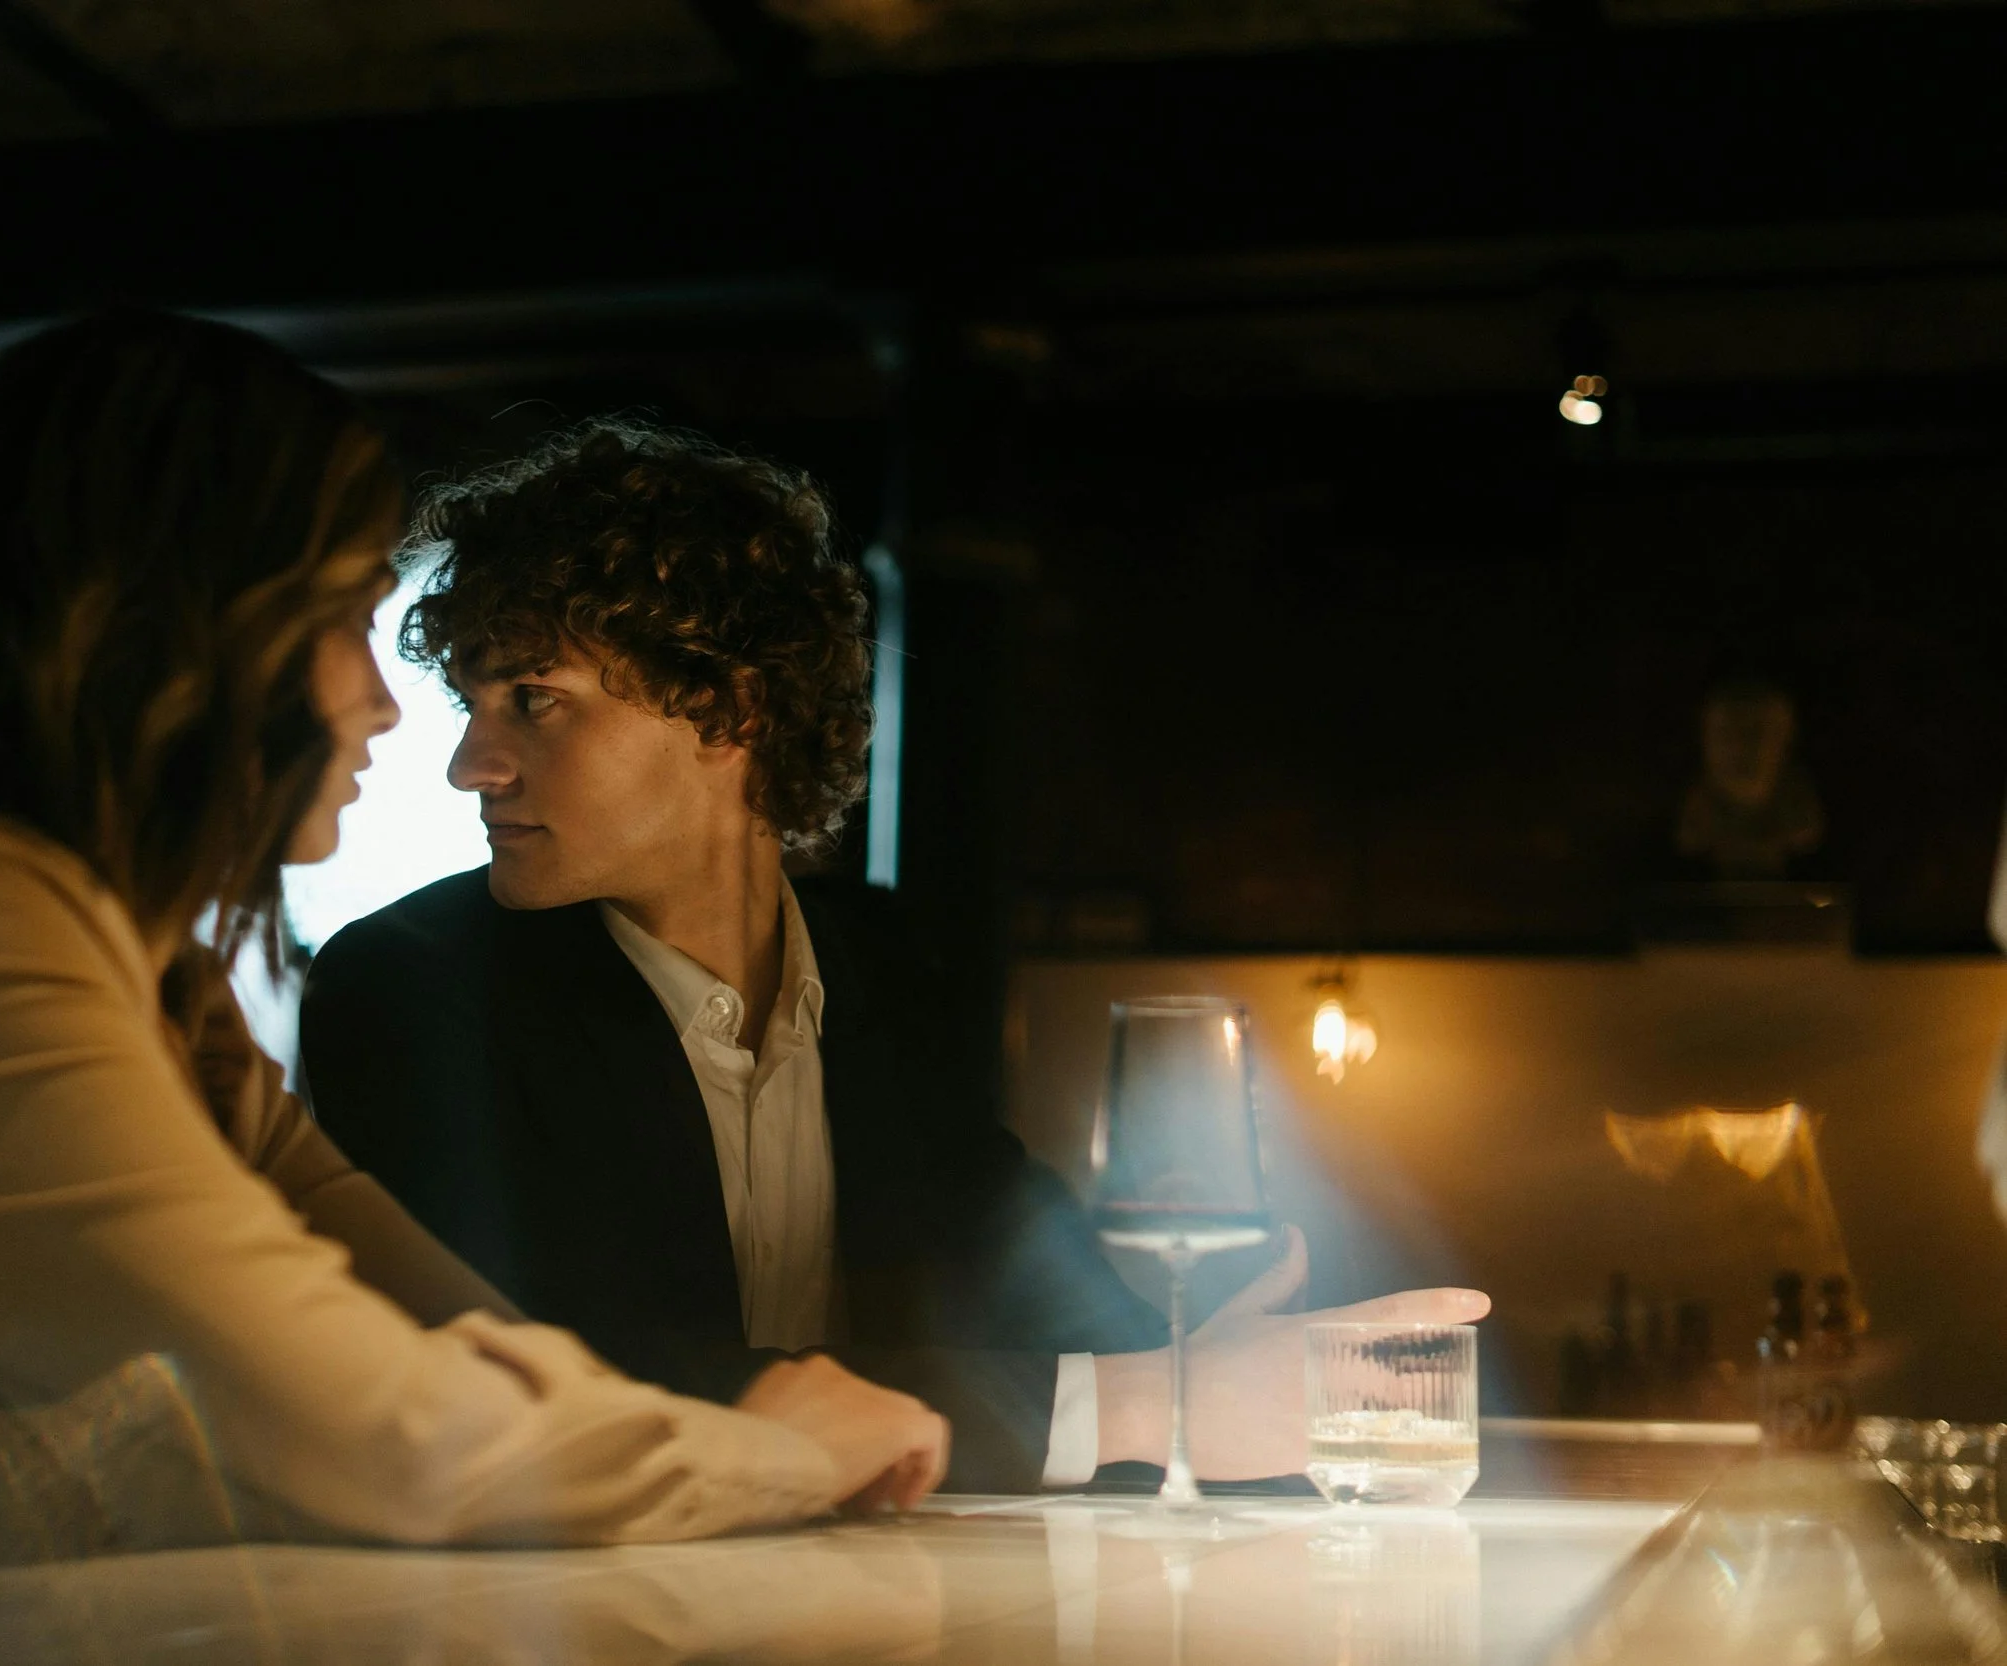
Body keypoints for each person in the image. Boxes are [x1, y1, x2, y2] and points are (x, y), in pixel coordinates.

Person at [0, 316, 950, 1597]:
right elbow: (402, 1434)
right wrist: (780, 1451)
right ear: (186, 637)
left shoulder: (166, 1002)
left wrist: (739, 1433)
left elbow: (468, 1336)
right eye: (348, 618)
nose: (387, 704)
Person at [299, 420, 1489, 1492]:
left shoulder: (888, 970)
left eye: (533, 698)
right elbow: (553, 1383)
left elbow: (1038, 1302)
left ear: (730, 709)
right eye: (472, 703)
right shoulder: (409, 987)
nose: (470, 765)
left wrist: (1193, 1354)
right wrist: (1141, 1400)